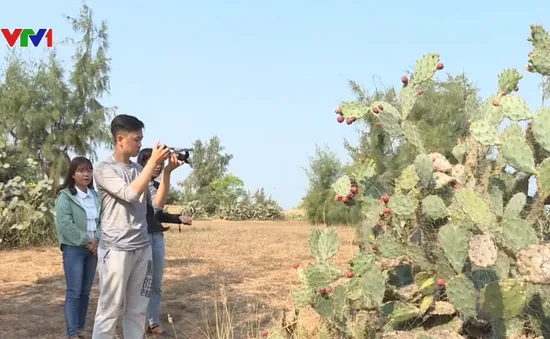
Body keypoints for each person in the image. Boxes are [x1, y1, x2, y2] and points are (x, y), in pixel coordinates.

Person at [91, 114, 184, 339]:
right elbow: (130, 194)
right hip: (116, 249)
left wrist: (166, 173)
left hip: (142, 247)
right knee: (109, 310)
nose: (140, 144)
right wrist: (151, 163)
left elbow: (157, 204)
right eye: (136, 139)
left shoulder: (137, 170)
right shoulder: (104, 168)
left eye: (142, 139)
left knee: (137, 311)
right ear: (120, 139)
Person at [137, 148, 192, 336]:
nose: (157, 166)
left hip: (156, 237)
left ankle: (152, 321)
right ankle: (140, 322)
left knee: (156, 284)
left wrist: (178, 219)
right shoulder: (136, 184)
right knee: (142, 283)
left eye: (160, 163)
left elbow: (157, 212)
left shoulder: (156, 185)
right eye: (153, 162)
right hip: (141, 238)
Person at [54, 156, 101, 339]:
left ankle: (80, 328)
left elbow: (102, 221)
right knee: (74, 291)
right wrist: (85, 241)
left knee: (85, 292)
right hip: (74, 249)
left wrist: (96, 239)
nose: (86, 174)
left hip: (93, 249)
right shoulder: (65, 196)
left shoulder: (95, 196)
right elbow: (65, 224)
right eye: (81, 170)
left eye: (89, 170)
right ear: (73, 174)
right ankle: (72, 332)